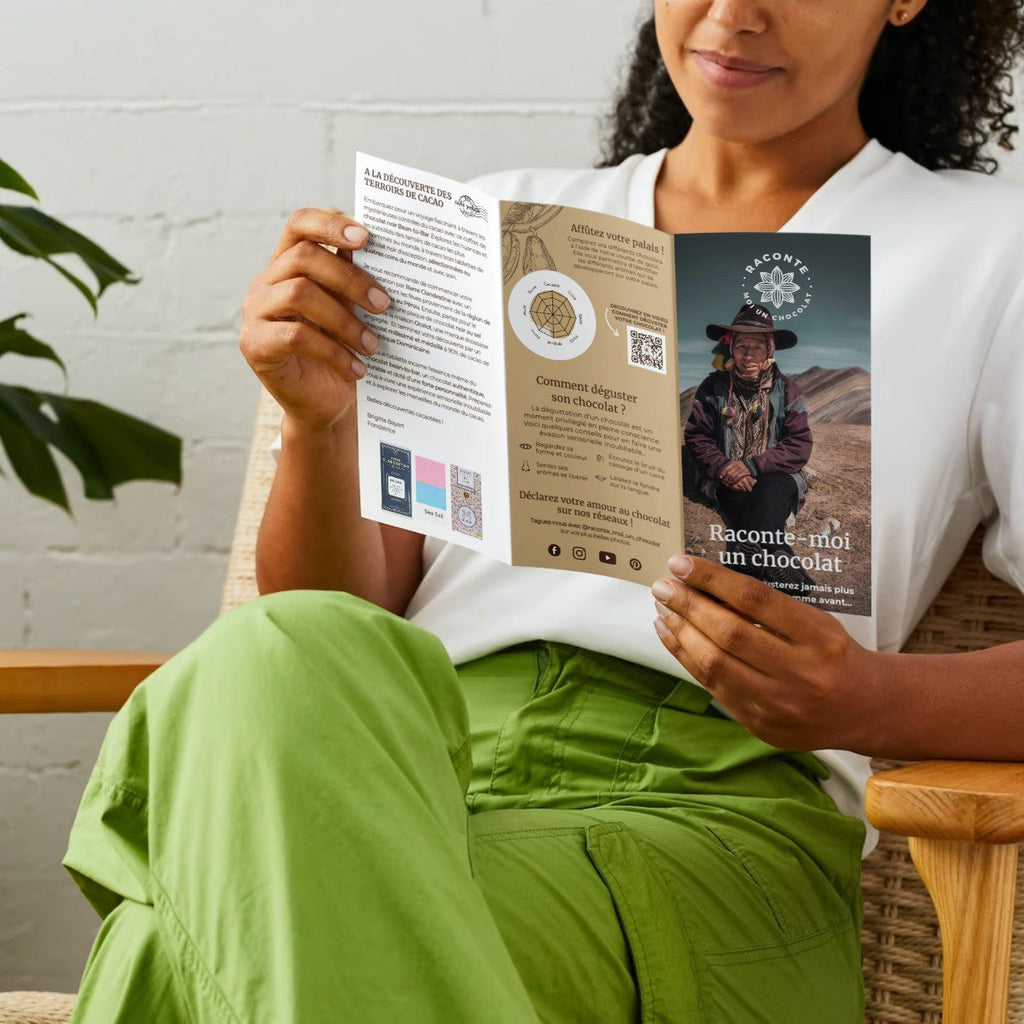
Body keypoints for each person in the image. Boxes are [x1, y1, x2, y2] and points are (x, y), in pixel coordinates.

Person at [62, 1, 1024, 1021]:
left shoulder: (989, 251)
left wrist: (865, 698)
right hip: (410, 761)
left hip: (708, 811)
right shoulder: (493, 222)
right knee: (274, 646)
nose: (733, 14)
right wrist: (319, 425)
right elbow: (342, 611)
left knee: (171, 946)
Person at [683, 302, 815, 591]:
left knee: (771, 490)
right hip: (725, 475)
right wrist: (724, 467)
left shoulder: (787, 389)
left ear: (770, 350)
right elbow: (697, 437)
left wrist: (751, 466)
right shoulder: (712, 386)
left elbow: (799, 444)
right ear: (731, 349)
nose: (749, 355)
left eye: (757, 346)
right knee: (738, 495)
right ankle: (776, 555)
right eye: (742, 346)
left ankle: (743, 565)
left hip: (774, 475)